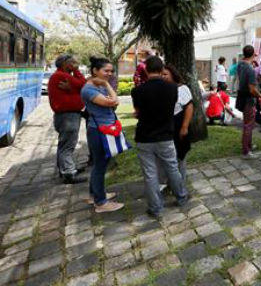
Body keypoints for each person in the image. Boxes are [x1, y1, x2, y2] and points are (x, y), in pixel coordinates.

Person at [131, 56, 189, 219]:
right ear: (161, 69)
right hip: (165, 136)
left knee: (150, 173)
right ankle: (181, 197)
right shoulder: (172, 88)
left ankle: (155, 208)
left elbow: (138, 112)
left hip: (144, 137)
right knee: (172, 168)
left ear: (146, 70)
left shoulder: (137, 91)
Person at [80, 57, 124, 213]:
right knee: (100, 165)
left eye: (111, 71)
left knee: (100, 164)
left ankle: (95, 195)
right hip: (99, 130)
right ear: (95, 71)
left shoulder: (97, 86)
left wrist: (105, 85)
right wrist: (106, 84)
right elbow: (114, 102)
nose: (110, 74)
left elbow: (113, 101)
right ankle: (100, 203)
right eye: (106, 71)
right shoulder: (89, 89)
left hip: (104, 128)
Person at [48, 54, 88, 184]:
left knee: (64, 144)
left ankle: (65, 169)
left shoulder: (62, 76)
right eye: (73, 63)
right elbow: (83, 84)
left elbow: (77, 88)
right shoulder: (61, 76)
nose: (75, 65)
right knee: (68, 145)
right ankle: (69, 173)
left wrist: (71, 89)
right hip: (67, 116)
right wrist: (76, 71)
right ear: (65, 64)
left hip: (66, 115)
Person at [159, 64, 193, 184]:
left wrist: (184, 127)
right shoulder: (160, 89)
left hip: (178, 125)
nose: (163, 77)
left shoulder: (182, 89)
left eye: (165, 74)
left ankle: (180, 183)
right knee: (165, 157)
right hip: (164, 127)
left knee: (180, 155)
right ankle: (168, 182)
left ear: (173, 75)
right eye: (161, 74)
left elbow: (189, 107)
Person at [237, 45, 261, 159]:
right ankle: (246, 151)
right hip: (249, 99)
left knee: (248, 123)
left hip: (242, 96)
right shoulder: (250, 69)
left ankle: (249, 145)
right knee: (248, 125)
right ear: (253, 54)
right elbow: (252, 89)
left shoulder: (240, 64)